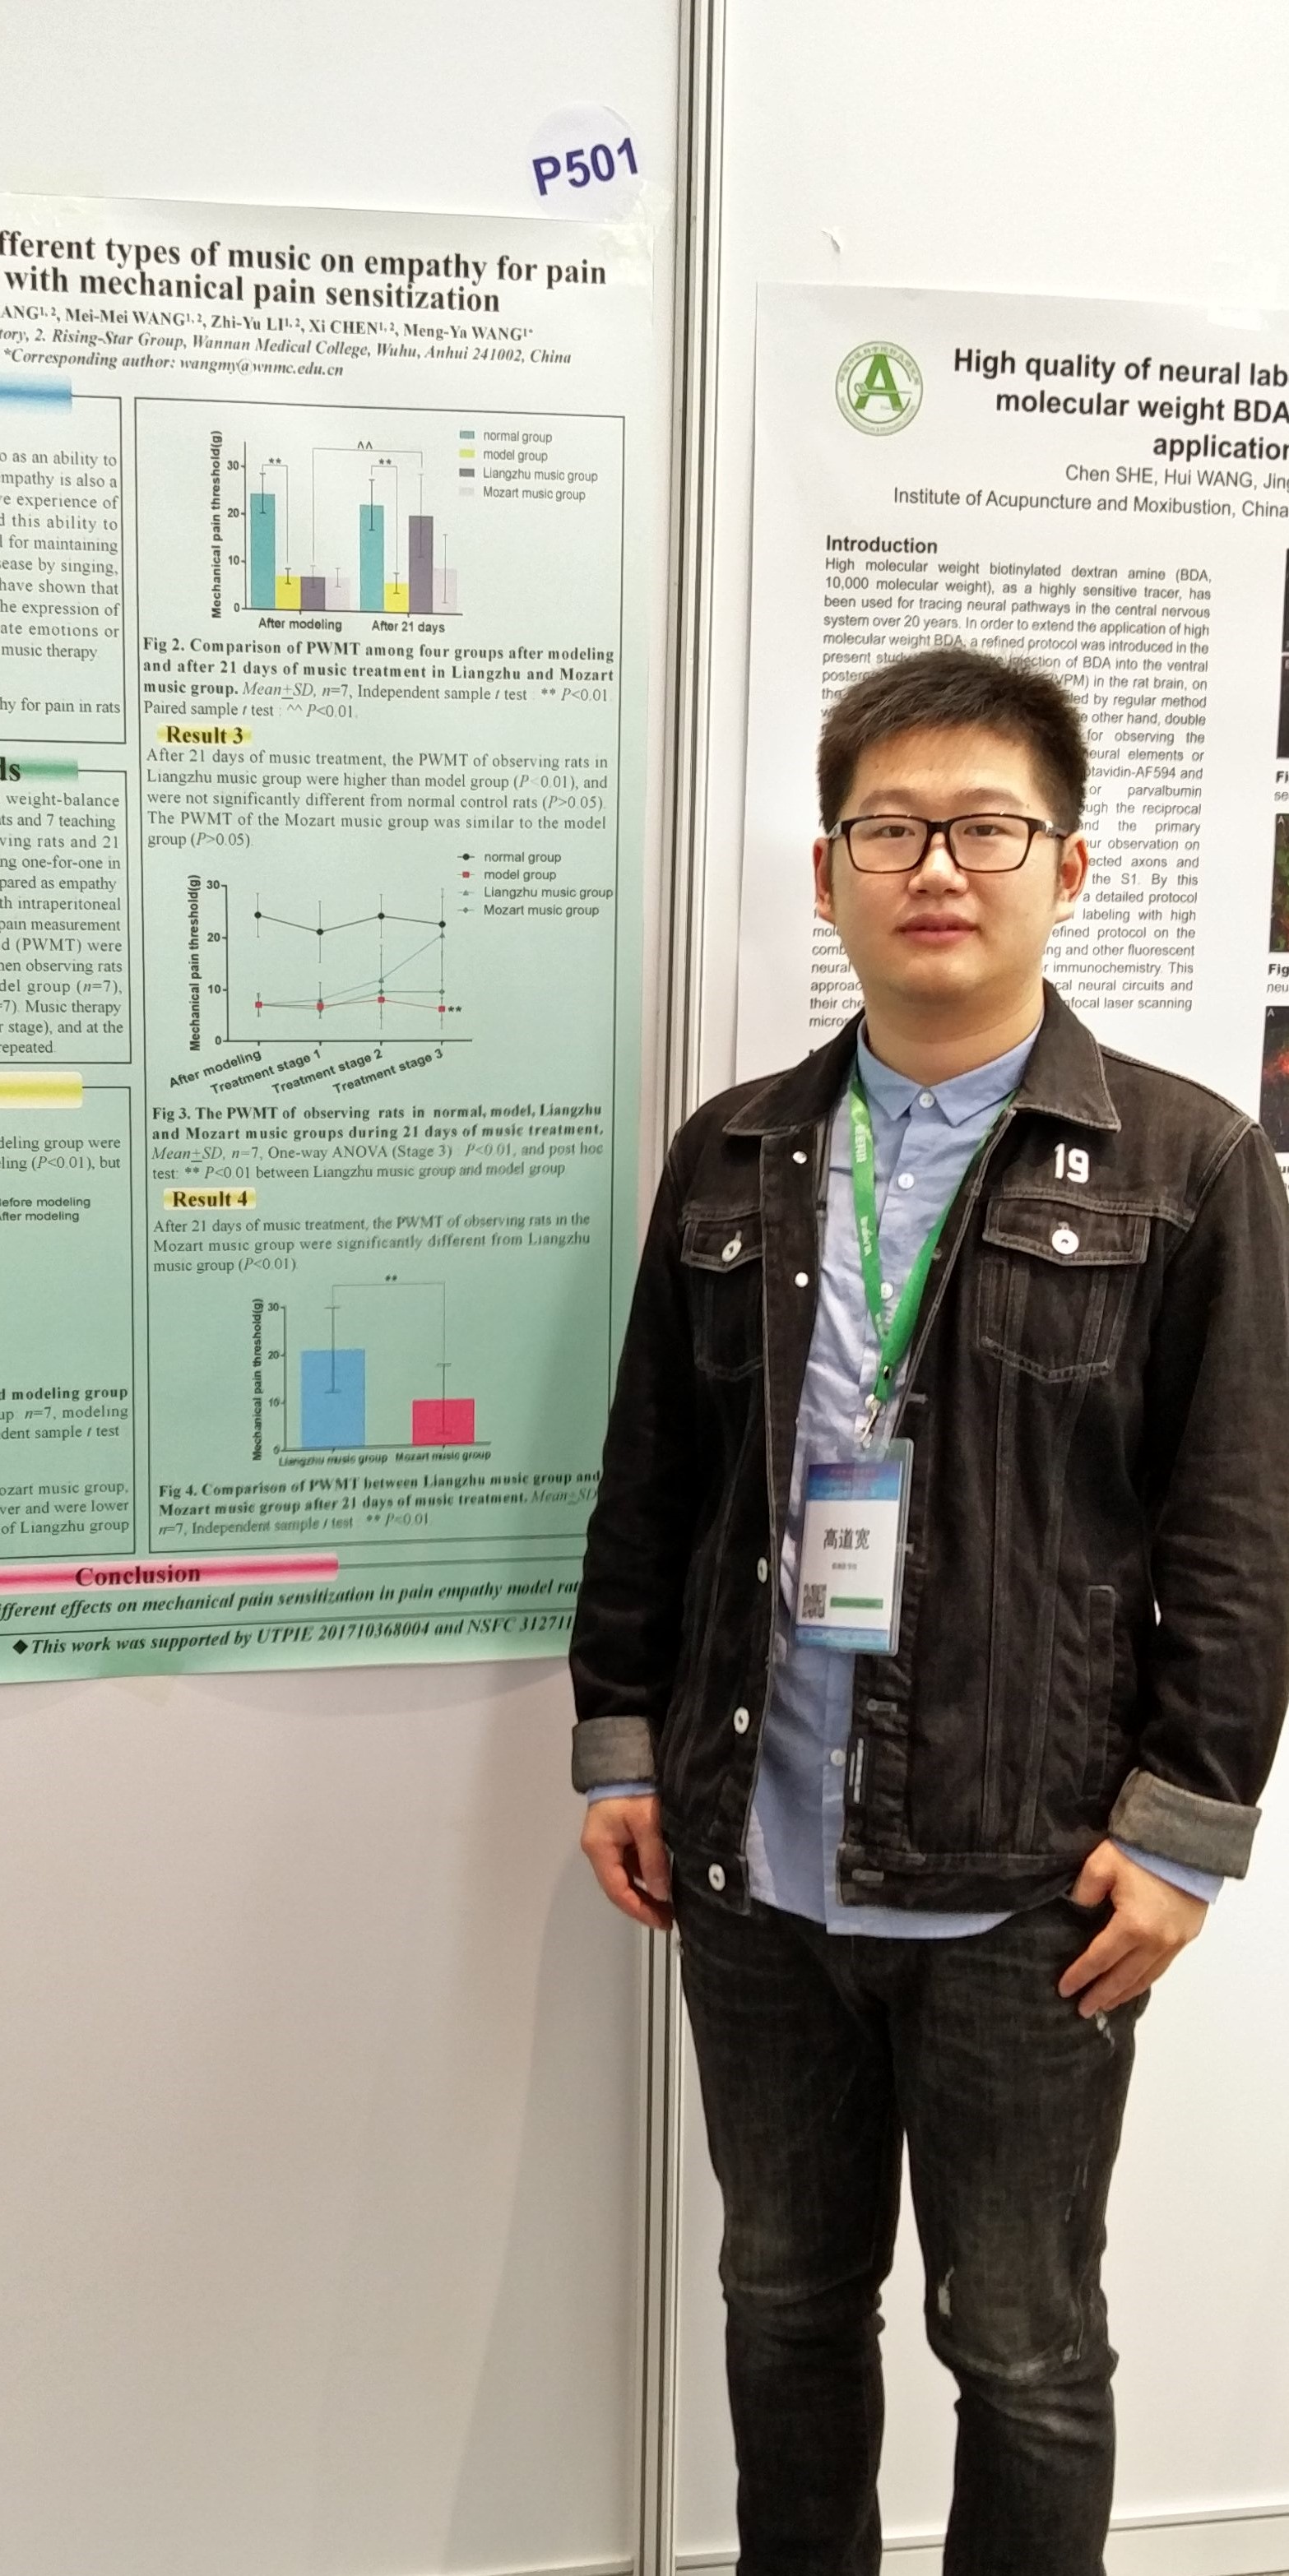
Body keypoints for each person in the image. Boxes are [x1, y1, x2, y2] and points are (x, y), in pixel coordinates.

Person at [570, 648, 1289, 2576]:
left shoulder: (1190, 1164)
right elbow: (652, 1480)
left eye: (986, 827)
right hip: (755, 1870)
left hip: (1028, 1885)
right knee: (784, 2306)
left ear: (1069, 866)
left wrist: (1185, 1838)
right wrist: (620, 1743)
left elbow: (1239, 1529)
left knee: (1025, 2350)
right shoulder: (734, 1149)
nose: (938, 867)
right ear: (828, 876)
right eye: (891, 830)